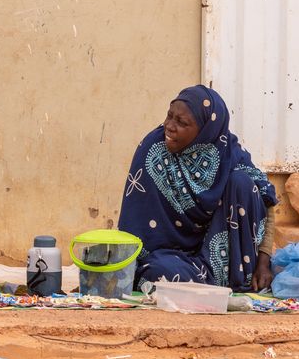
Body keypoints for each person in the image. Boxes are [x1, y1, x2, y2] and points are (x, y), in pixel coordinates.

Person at [118, 85, 277, 292]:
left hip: (223, 257)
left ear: (205, 131)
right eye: (169, 116)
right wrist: (117, 271)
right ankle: (211, 287)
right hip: (170, 257)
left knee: (242, 182)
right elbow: (135, 220)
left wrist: (264, 263)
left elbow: (268, 200)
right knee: (159, 273)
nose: (169, 126)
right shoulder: (153, 149)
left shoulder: (228, 151)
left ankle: (241, 278)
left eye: (181, 122)